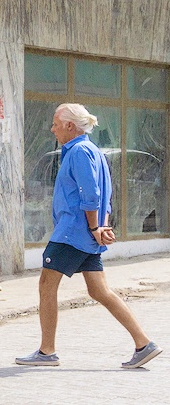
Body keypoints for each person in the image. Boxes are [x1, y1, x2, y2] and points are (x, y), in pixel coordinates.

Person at [15, 103, 162, 369]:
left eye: (56, 124)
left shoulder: (80, 151)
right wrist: (100, 228)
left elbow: (91, 195)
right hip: (86, 234)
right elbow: (105, 196)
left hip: (72, 233)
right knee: (100, 290)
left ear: (70, 126)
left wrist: (96, 228)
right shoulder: (92, 150)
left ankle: (47, 352)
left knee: (47, 285)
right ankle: (144, 344)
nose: (52, 129)